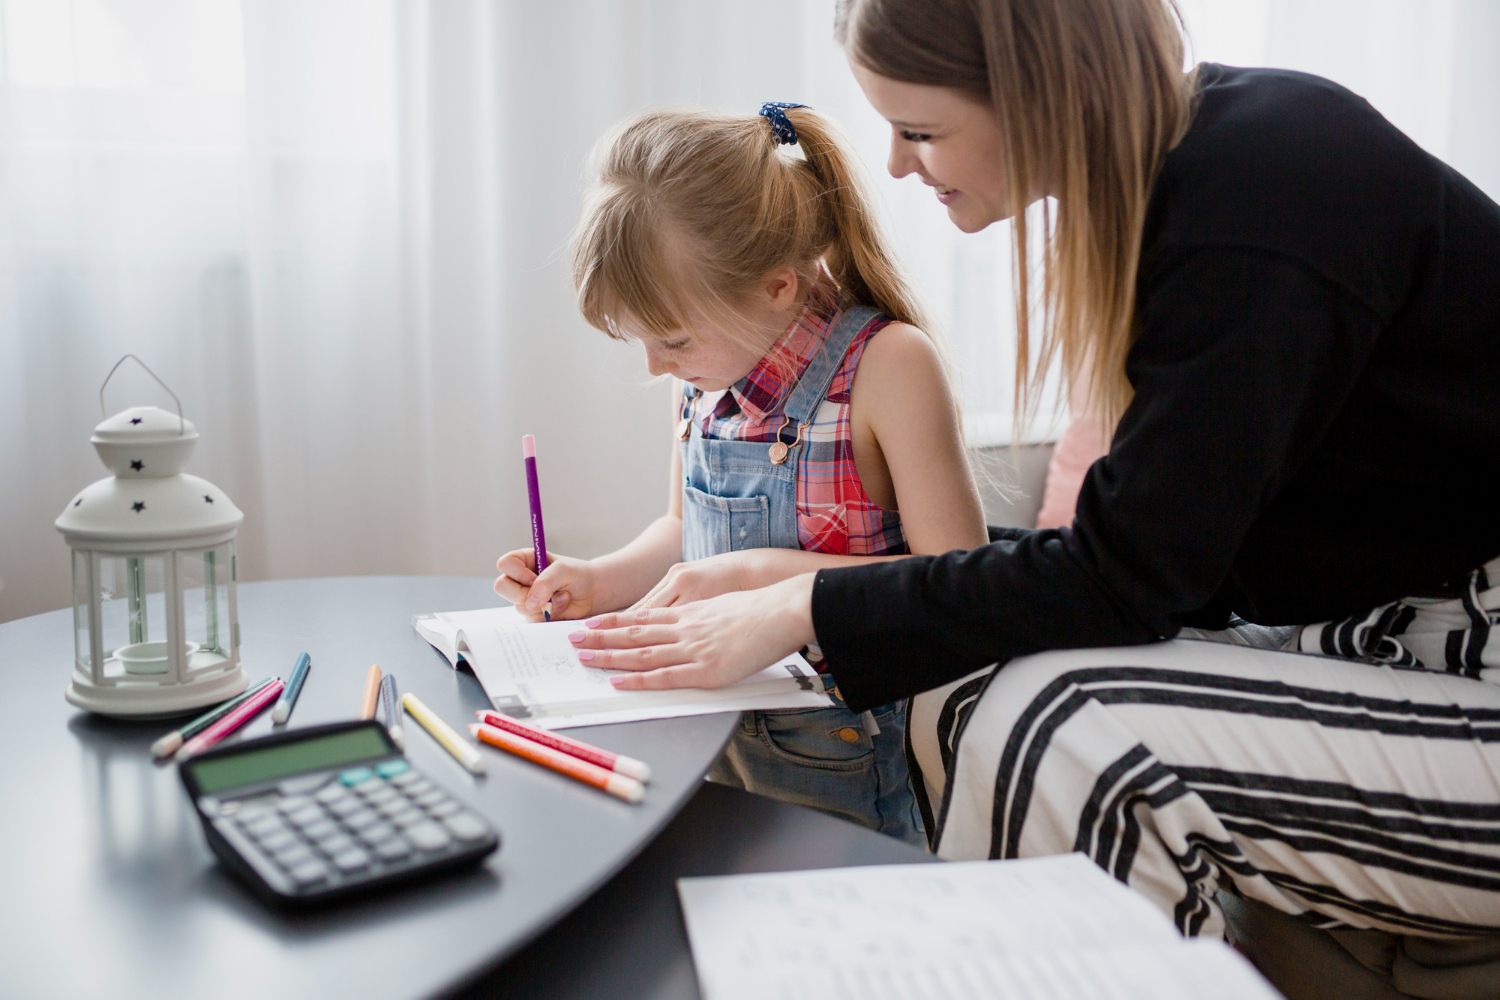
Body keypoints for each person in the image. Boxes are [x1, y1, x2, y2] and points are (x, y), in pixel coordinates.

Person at [564, 0, 1500, 994]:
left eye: (919, 130)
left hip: (1468, 648)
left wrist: (802, 599)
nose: (891, 166)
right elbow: (1154, 550)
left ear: (1044, 96)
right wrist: (794, 585)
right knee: (972, 678)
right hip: (1387, 632)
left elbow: (1131, 574)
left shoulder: (1263, 189)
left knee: (1056, 727)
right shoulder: (1184, 186)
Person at [494, 103, 987, 845]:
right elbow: (681, 534)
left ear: (777, 288)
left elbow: (960, 583)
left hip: (844, 753)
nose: (656, 367)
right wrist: (597, 580)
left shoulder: (888, 368)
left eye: (671, 339)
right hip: (713, 729)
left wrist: (758, 572)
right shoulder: (704, 376)